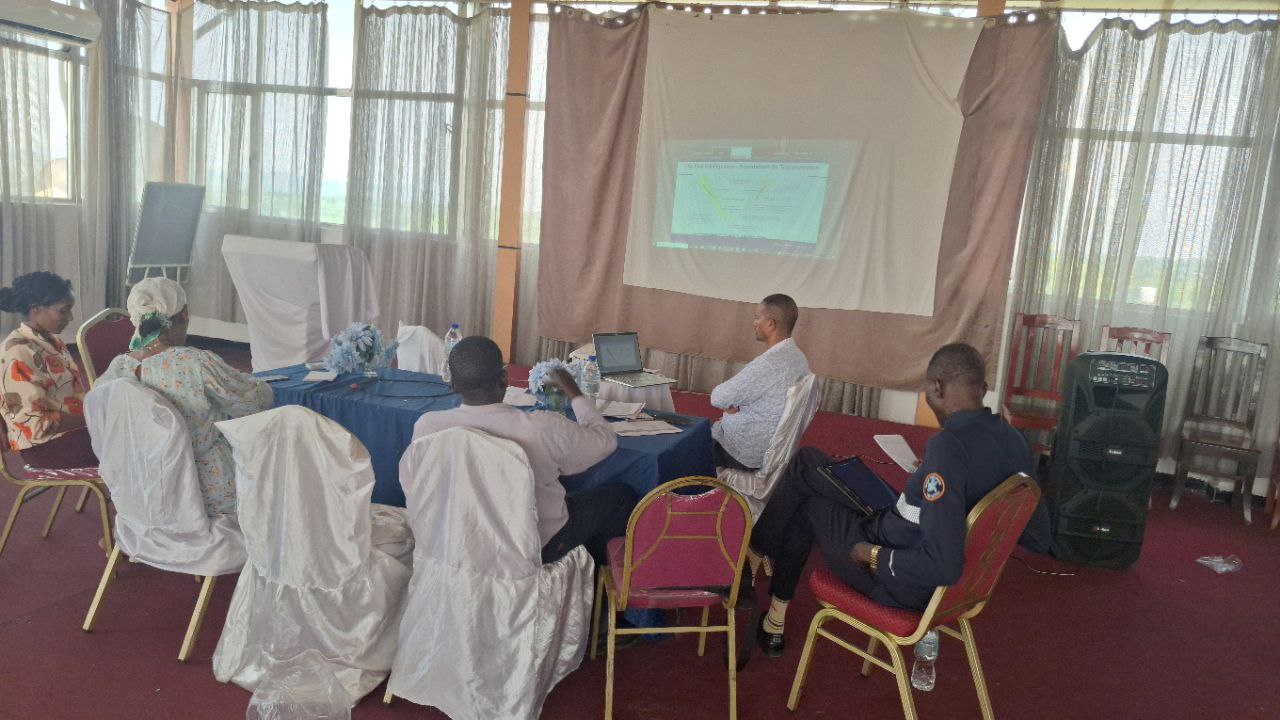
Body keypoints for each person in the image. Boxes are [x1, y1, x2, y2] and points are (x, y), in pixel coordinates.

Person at [748, 343, 1051, 657]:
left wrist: (873, 555)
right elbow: (1038, 537)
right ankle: (764, 582)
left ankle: (763, 580)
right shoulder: (1013, 439)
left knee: (807, 498)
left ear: (937, 388)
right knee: (808, 461)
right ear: (983, 389)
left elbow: (943, 565)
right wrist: (938, 482)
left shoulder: (948, 447)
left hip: (898, 578)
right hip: (908, 529)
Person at [413, 336, 636, 567]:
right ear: (504, 378)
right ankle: (600, 580)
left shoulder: (427, 427)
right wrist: (574, 392)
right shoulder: (541, 428)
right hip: (533, 545)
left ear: (453, 385)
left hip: (456, 538)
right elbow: (605, 440)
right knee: (620, 498)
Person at [99, 277, 272, 517]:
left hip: (145, 491)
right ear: (184, 315)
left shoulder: (117, 370)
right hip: (209, 491)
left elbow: (104, 426)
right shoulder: (195, 363)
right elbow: (254, 402)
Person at [0, 271, 97, 469]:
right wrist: (95, 417)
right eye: (64, 311)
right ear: (35, 308)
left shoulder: (52, 341)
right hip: (46, 448)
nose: (70, 317)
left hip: (70, 434)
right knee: (133, 442)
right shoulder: (17, 352)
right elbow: (37, 426)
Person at [710, 294, 810, 471]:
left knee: (687, 441)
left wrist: (732, 405)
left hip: (745, 453)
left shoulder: (768, 364)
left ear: (770, 324)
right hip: (775, 448)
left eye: (757, 318)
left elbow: (718, 397)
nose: (754, 323)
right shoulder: (799, 357)